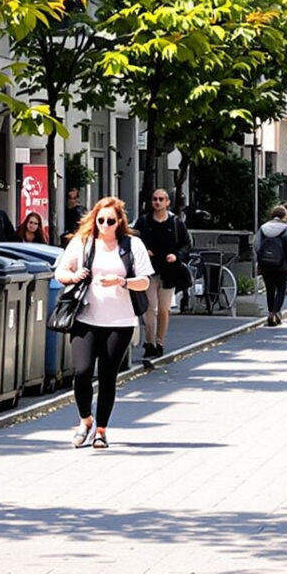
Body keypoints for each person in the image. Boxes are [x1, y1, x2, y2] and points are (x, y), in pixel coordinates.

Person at [55, 196, 155, 450]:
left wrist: (121, 282)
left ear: (119, 221)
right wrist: (75, 275)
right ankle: (85, 420)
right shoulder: (83, 242)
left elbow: (144, 281)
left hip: (120, 321)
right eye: (100, 220)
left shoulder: (133, 245)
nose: (105, 225)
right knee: (82, 372)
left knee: (108, 376)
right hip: (85, 318)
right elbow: (60, 272)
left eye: (110, 220)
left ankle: (101, 430)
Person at [133, 189, 192, 359]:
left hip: (169, 273)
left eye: (160, 199)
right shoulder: (143, 222)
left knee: (164, 310)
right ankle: (149, 343)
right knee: (150, 308)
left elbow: (186, 244)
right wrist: (144, 251)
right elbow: (133, 240)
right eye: (154, 199)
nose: (157, 202)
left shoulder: (176, 223)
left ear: (167, 202)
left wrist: (177, 256)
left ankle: (160, 342)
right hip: (149, 272)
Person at [254, 201, 287, 327]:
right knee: (281, 289)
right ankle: (275, 312)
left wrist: (258, 264)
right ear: (285, 216)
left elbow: (256, 246)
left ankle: (270, 312)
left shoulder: (263, 228)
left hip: (265, 263)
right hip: (282, 264)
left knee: (270, 289)